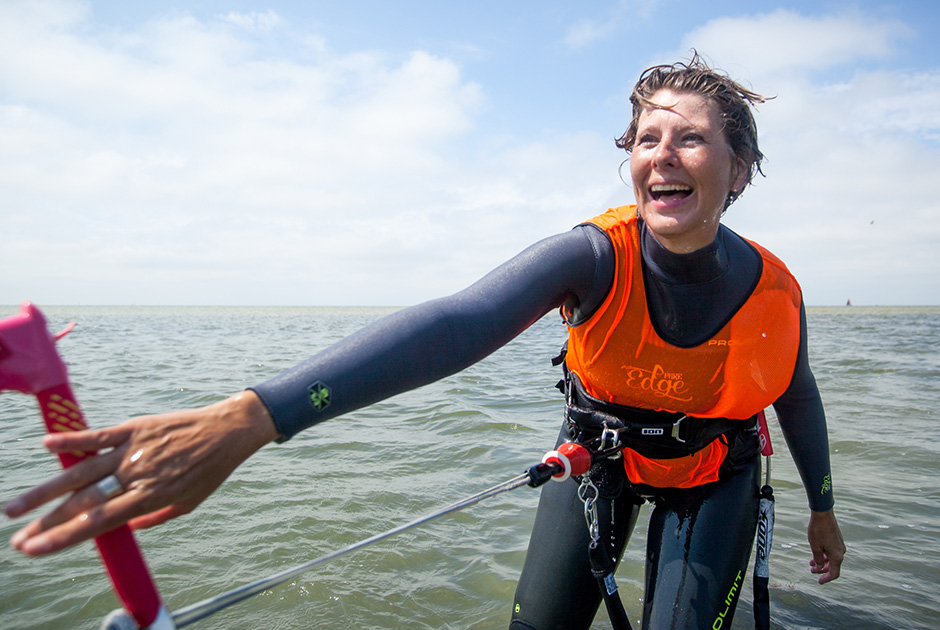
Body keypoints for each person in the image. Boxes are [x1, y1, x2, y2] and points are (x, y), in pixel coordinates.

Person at [5, 55, 844, 629]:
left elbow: (795, 394)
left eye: (690, 137)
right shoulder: (594, 255)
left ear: (738, 169)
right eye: (647, 139)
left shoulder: (776, 289)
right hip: (598, 458)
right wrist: (254, 417)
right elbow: (459, 322)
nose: (662, 154)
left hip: (717, 473)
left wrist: (824, 509)